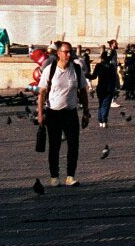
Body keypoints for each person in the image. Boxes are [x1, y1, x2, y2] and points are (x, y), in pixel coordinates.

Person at [36, 41, 89, 186]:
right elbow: (41, 93)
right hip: (53, 113)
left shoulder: (76, 69)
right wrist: (40, 114)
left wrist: (86, 111)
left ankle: (70, 176)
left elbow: (83, 91)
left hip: (70, 113)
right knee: (54, 145)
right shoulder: (50, 69)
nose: (68, 55)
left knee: (73, 145)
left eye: (70, 52)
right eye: (65, 52)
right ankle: (54, 176)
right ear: (58, 53)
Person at [90, 49, 119, 128]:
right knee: (105, 105)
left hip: (100, 87)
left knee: (101, 104)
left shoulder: (98, 65)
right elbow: (114, 78)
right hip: (109, 88)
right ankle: (104, 120)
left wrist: (85, 75)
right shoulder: (111, 66)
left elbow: (93, 76)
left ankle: (100, 120)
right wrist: (116, 88)